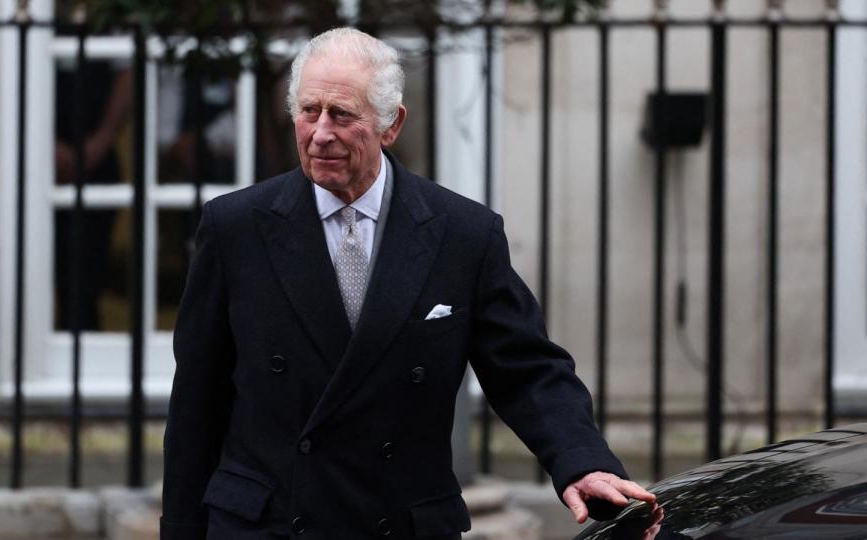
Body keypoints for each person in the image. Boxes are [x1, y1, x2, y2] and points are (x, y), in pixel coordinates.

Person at [161, 27, 655, 540]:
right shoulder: (235, 227)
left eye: (342, 115)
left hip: (400, 524)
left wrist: (583, 462)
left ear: (391, 125)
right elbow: (196, 401)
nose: (321, 132)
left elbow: (527, 369)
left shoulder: (463, 234)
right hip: (268, 526)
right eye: (309, 111)